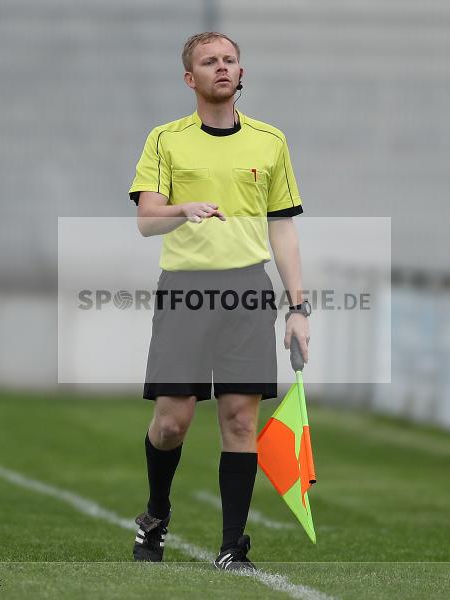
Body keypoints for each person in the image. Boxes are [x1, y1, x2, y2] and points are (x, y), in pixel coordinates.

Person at [127, 32, 311, 571]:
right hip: (185, 291)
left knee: (239, 421)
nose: (222, 67)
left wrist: (298, 309)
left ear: (242, 73)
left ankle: (233, 546)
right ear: (191, 78)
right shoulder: (165, 140)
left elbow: (283, 228)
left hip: (248, 291)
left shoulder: (270, 141)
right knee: (172, 423)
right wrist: (182, 210)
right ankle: (155, 517)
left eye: (230, 60)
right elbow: (145, 221)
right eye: (209, 62)